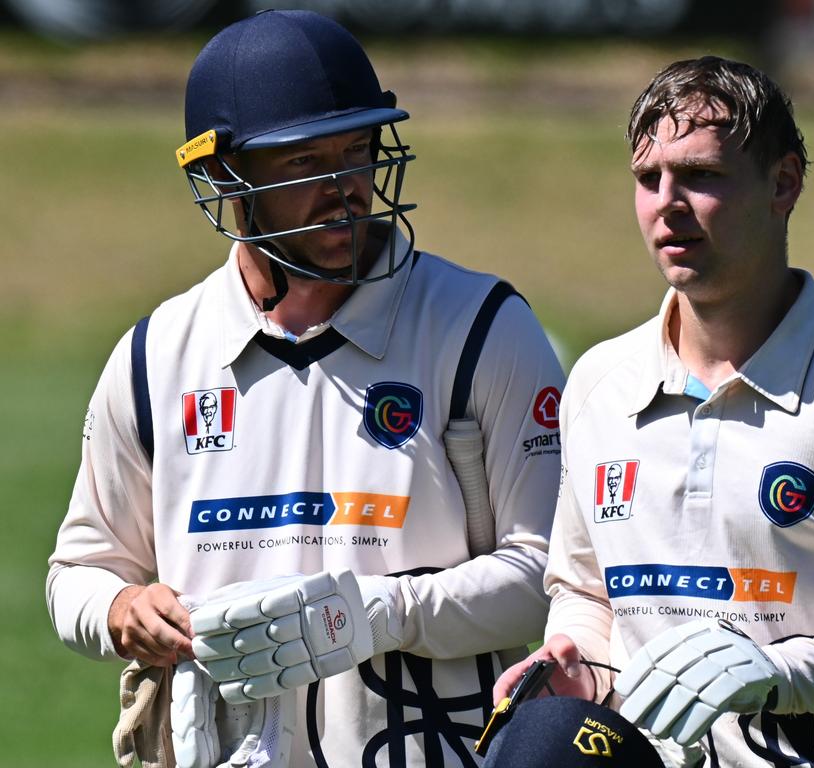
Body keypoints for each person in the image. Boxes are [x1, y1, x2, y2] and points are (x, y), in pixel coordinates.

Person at [46, 10, 565, 768]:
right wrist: (122, 609)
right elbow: (78, 575)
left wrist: (376, 613)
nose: (347, 188)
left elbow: (553, 577)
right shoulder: (156, 355)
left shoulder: (481, 327)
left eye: (358, 152)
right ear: (227, 176)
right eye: (303, 164)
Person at [494, 55, 814, 767]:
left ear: (783, 183)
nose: (667, 202)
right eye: (648, 179)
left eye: (701, 176)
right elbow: (585, 591)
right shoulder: (601, 382)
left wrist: (778, 674)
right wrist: (575, 653)